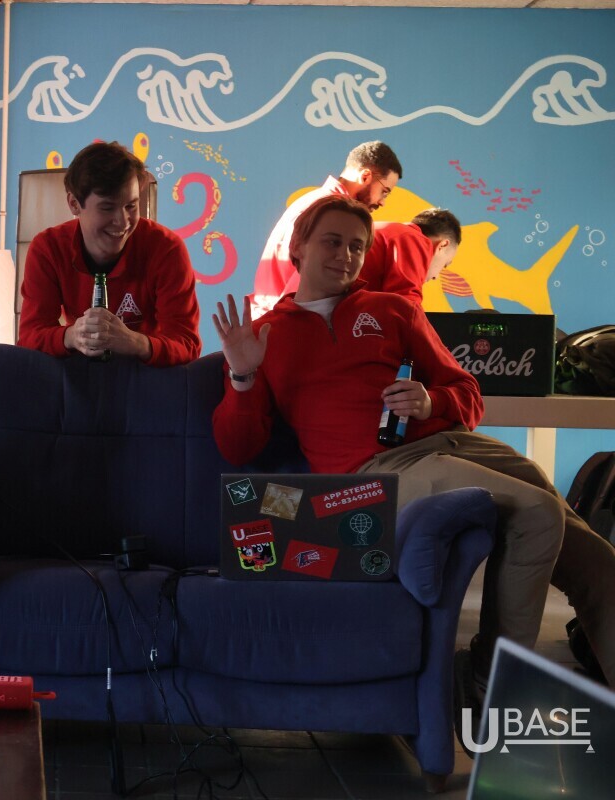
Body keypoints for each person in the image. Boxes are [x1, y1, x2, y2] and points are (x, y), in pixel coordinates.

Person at [212, 195, 615, 737]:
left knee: (597, 559)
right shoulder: (265, 335)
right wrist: (241, 376)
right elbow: (238, 448)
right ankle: (491, 681)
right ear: (298, 247)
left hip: (456, 445)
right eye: (333, 242)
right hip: (376, 471)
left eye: (357, 246)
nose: (346, 255)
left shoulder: (393, 310)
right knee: (538, 512)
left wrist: (431, 401)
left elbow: (467, 393)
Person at [17, 141, 201, 367]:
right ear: (74, 204)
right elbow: (29, 338)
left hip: (149, 379)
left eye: (131, 206)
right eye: (107, 208)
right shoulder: (48, 249)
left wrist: (135, 342)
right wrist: (72, 336)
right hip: (80, 377)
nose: (123, 221)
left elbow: (187, 345)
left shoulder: (167, 249)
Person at [250, 141, 403, 317]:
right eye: (384, 191)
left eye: (356, 247)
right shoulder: (328, 214)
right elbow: (307, 285)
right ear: (366, 176)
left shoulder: (314, 203)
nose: (382, 202)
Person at [282, 207, 459, 304]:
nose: (436, 276)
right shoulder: (412, 238)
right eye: (445, 265)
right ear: (442, 245)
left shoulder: (385, 231)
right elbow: (405, 306)